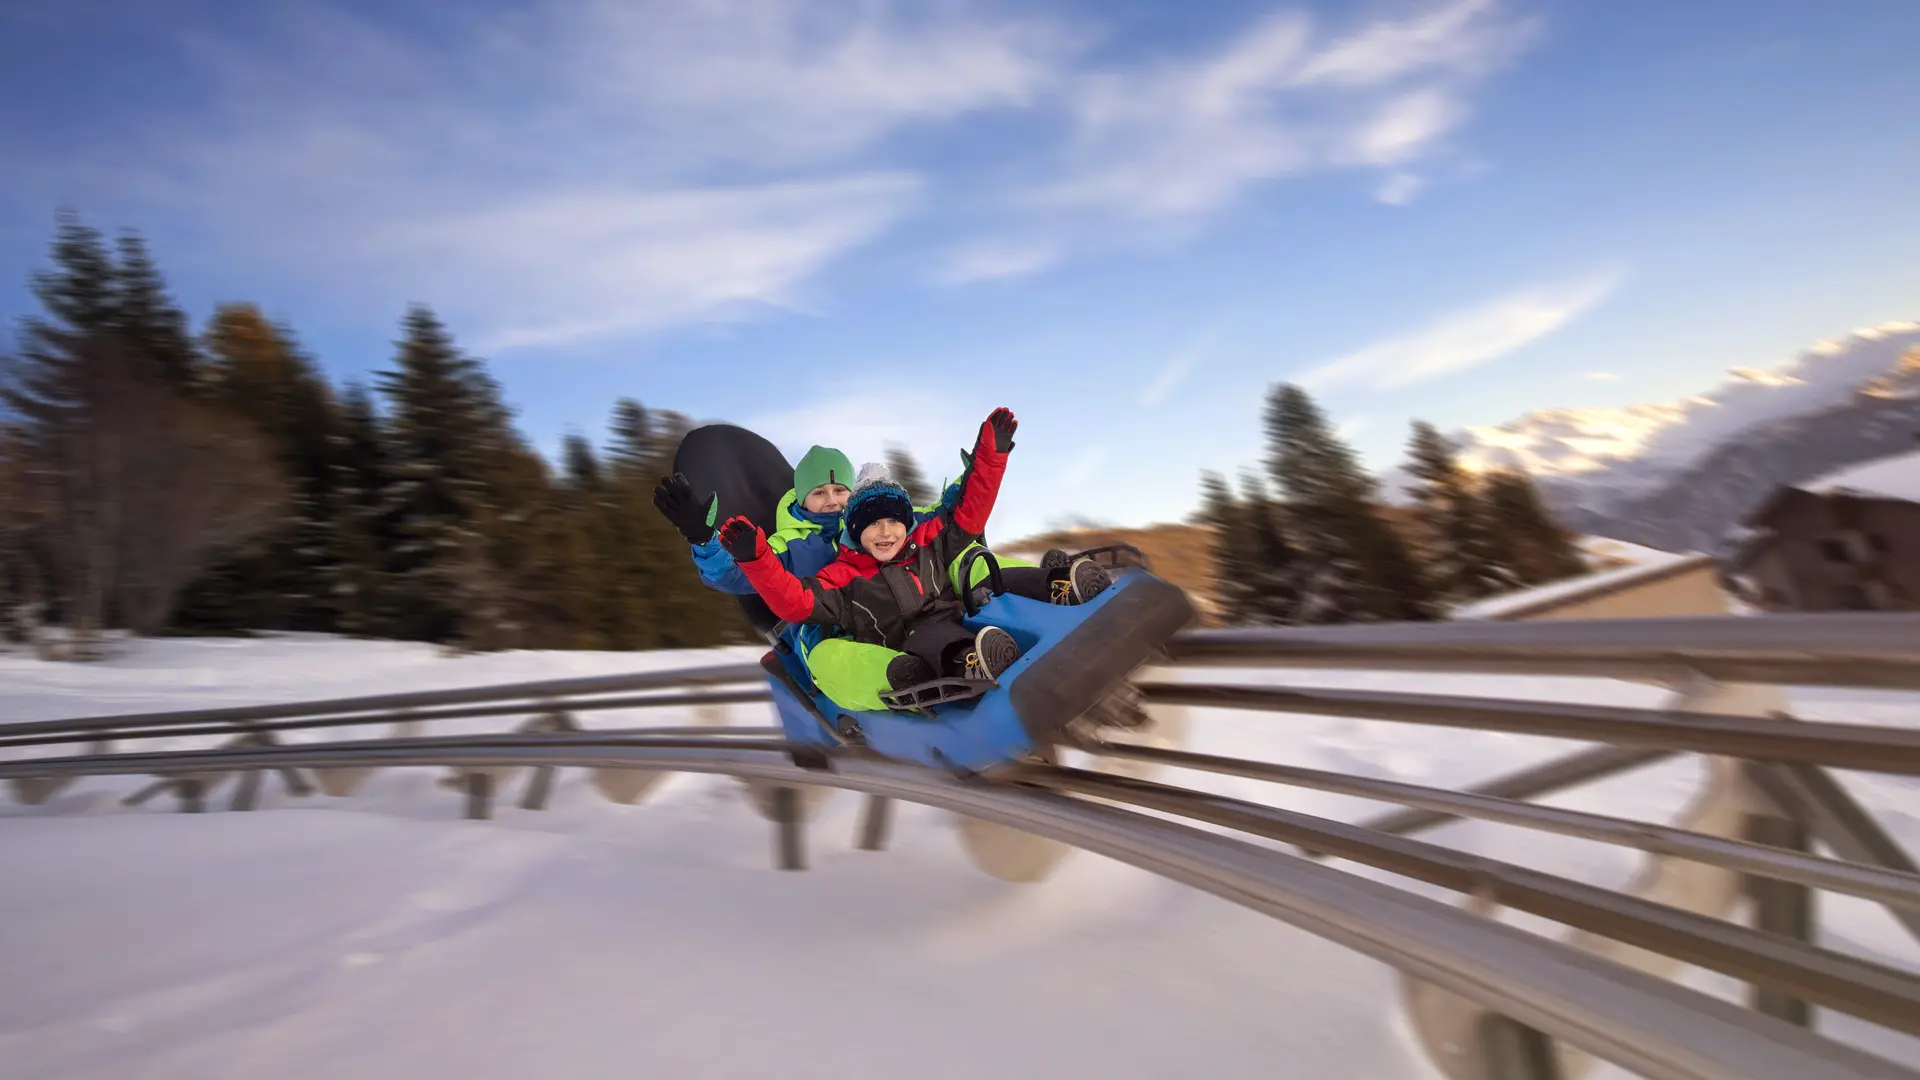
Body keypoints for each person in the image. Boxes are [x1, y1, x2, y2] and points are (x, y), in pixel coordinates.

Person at [715, 407, 1111, 710]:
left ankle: (1056, 584)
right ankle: (967, 663)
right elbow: (795, 601)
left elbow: (963, 516)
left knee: (975, 563)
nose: (885, 532)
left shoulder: (920, 541)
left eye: (893, 523)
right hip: (896, 636)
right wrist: (754, 557)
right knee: (934, 639)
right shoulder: (839, 573)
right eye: (820, 493)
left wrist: (989, 457)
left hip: (949, 608)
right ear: (855, 531)